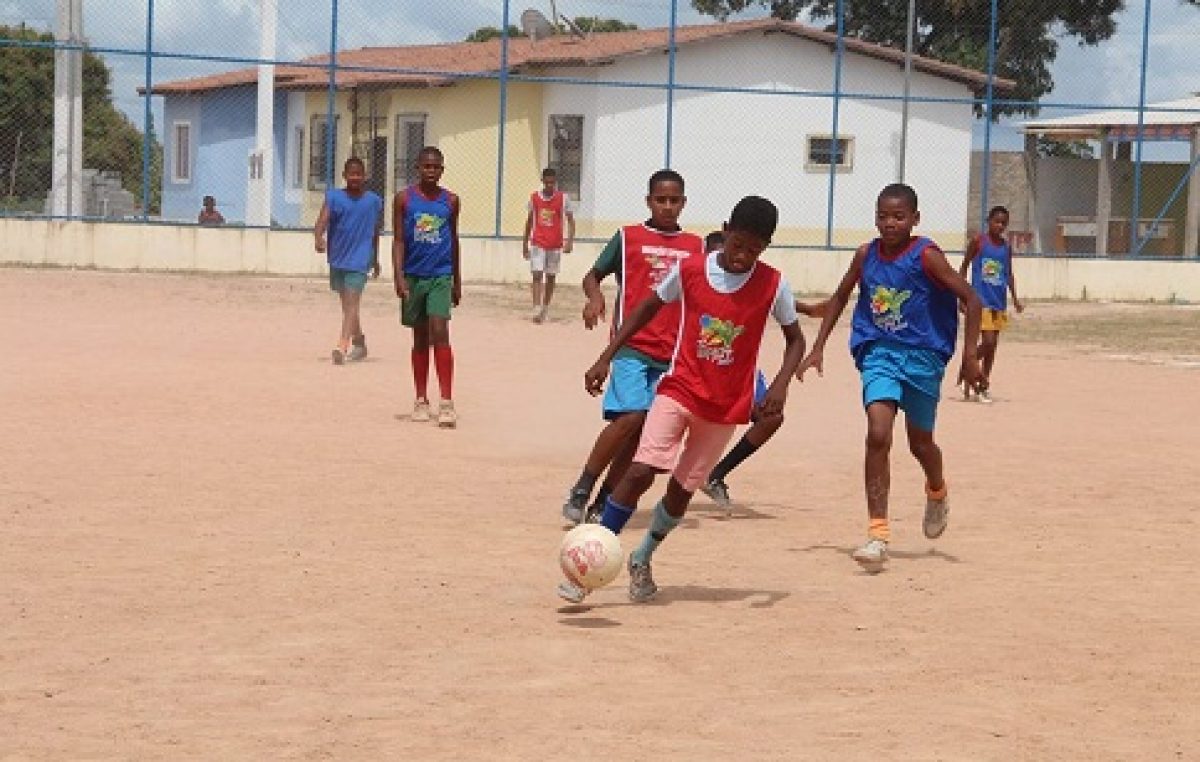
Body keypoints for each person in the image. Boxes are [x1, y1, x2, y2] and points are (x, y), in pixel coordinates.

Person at [558, 196, 806, 603]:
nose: (744, 256)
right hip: (680, 388)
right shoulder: (691, 269)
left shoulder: (774, 284)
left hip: (725, 406)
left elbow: (795, 339)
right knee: (640, 471)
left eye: (755, 250)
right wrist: (607, 356)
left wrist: (779, 386)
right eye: (738, 244)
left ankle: (643, 556)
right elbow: (645, 309)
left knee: (680, 492)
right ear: (725, 230)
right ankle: (590, 563)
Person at [798, 183, 983, 574]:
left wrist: (969, 356)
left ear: (915, 219)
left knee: (921, 443)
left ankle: (937, 489)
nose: (889, 223)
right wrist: (818, 347)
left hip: (923, 358)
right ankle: (877, 534)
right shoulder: (866, 254)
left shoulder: (926, 257)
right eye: (882, 215)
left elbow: (972, 297)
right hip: (879, 351)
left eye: (898, 216)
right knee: (878, 433)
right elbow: (840, 297)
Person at [560, 169, 704, 526]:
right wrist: (594, 300)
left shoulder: (695, 247)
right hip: (632, 346)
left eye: (674, 201)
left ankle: (605, 500)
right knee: (631, 417)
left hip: (672, 355)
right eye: (661, 200)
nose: (668, 207)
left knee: (644, 433)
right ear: (649, 201)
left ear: (684, 203)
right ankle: (583, 487)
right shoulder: (628, 238)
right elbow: (592, 275)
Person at [697, 230, 828, 513]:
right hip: (696, 366)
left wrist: (805, 309)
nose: (737, 261)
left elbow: (771, 298)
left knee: (770, 416)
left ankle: (716, 474)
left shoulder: (760, 278)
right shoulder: (694, 277)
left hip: (738, 369)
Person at [392, 146, 461, 428]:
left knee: (439, 331)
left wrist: (457, 279)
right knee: (419, 337)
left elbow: (454, 240)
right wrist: (399, 276)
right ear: (417, 168)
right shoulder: (404, 199)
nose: (431, 171)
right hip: (414, 275)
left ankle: (447, 402)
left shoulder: (451, 201)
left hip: (441, 275)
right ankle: (421, 399)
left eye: (436, 167)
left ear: (442, 170)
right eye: (426, 167)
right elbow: (398, 240)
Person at [313, 158, 384, 365]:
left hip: (361, 258)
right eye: (351, 174)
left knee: (352, 302)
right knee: (348, 306)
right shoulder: (334, 197)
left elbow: (375, 231)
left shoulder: (373, 201)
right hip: (338, 257)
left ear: (365, 176)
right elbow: (322, 221)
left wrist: (376, 258)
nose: (355, 178)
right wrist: (318, 237)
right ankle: (360, 343)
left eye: (359, 174)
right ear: (344, 176)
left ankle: (342, 346)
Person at [958, 205, 1024, 403]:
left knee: (992, 346)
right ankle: (968, 368)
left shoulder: (1005, 247)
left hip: (998, 302)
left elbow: (1008, 273)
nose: (1000, 225)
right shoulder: (979, 242)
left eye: (1004, 223)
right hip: (980, 301)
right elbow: (964, 265)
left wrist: (1015, 299)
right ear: (989, 221)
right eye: (997, 221)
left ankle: (982, 383)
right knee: (987, 341)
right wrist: (961, 296)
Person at [522, 167, 576, 323]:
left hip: (555, 244)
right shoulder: (534, 198)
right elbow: (529, 221)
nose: (549, 186)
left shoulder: (563, 198)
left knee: (551, 276)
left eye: (552, 183)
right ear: (542, 181)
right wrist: (524, 243)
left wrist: (570, 241)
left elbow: (571, 221)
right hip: (538, 242)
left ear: (555, 182)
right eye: (547, 183)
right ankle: (536, 308)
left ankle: (545, 307)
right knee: (537, 274)